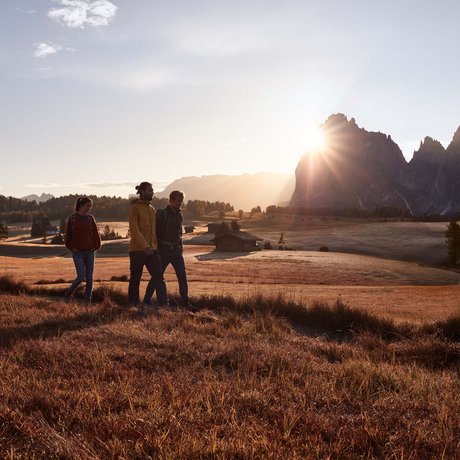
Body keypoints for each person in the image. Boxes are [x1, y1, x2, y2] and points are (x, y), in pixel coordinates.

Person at [128, 181, 167, 310]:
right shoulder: (135, 208)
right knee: (135, 278)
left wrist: (154, 247)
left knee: (158, 276)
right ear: (142, 192)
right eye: (150, 190)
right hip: (137, 250)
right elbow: (134, 230)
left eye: (152, 190)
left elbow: (153, 231)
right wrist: (146, 246)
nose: (153, 192)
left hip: (153, 250)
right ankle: (134, 305)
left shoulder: (152, 209)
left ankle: (163, 305)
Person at [156, 190, 197, 311]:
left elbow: (179, 234)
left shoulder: (180, 215)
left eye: (181, 201)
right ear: (171, 200)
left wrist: (181, 248)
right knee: (157, 277)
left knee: (182, 277)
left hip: (176, 251)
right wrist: (157, 251)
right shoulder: (162, 214)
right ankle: (150, 301)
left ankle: (185, 303)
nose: (180, 203)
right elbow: (156, 233)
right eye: (178, 201)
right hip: (163, 250)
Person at [64, 196, 101, 303]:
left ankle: (87, 300)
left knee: (90, 278)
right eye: (88, 206)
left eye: (91, 206)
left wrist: (96, 246)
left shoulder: (90, 218)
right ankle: (69, 293)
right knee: (81, 276)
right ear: (81, 206)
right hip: (78, 253)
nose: (89, 208)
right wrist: (72, 248)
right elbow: (68, 237)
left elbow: (96, 234)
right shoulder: (72, 219)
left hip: (90, 252)